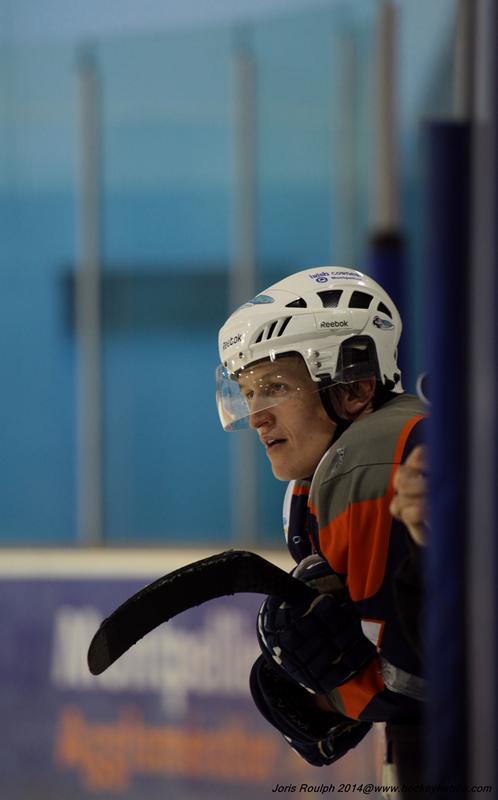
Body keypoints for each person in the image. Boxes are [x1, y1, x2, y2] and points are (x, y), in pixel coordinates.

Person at [216, 267, 427, 782]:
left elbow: (415, 686)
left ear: (354, 387)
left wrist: (330, 693)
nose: (256, 415)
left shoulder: (367, 460)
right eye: (247, 391)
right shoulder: (314, 484)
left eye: (275, 386)